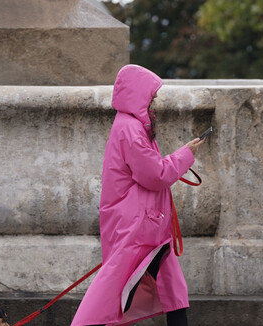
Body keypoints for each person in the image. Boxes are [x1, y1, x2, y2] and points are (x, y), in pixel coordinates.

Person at [71, 64, 206, 326]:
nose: (154, 102)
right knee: (111, 288)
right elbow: (155, 175)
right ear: (139, 96)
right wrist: (186, 153)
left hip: (146, 224)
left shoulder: (130, 126)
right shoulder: (131, 129)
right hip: (137, 225)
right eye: (151, 97)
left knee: (174, 290)